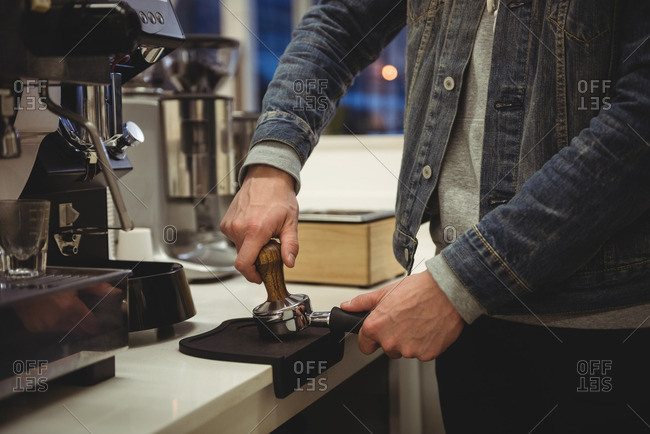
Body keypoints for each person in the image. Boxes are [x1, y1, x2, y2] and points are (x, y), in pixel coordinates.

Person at [220, 1, 650, 432]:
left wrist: (462, 281)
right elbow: (339, 21)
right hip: (465, 323)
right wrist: (273, 161)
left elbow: (639, 123)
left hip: (599, 332)